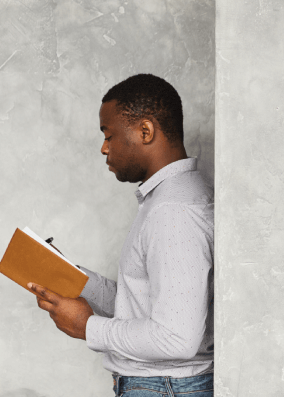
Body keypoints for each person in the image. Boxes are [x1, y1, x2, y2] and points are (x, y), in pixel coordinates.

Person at [28, 74, 214, 397]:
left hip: (164, 388)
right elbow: (141, 305)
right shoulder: (166, 199)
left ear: (145, 131)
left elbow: (178, 338)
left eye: (108, 134)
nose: (103, 147)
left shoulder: (173, 210)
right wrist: (70, 275)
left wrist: (88, 328)